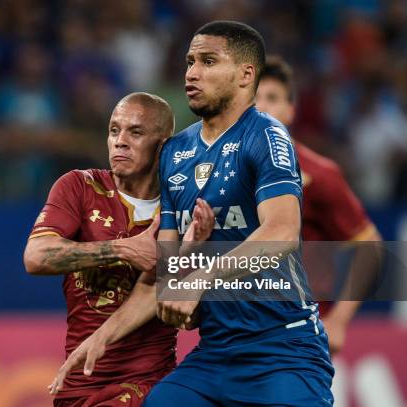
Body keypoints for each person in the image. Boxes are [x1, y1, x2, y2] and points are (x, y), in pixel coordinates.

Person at [49, 21, 334, 406]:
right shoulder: (175, 153)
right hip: (215, 355)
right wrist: (101, 336)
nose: (192, 73)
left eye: (208, 61)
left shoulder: (265, 136)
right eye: (189, 61)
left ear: (245, 75)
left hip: (283, 349)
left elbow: (282, 231)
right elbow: (160, 278)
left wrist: (200, 277)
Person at [24, 92, 214, 407]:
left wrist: (190, 256)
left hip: (147, 385)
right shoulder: (80, 187)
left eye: (135, 132)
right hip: (78, 381)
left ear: (163, 146)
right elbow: (35, 256)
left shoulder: (185, 209)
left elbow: (189, 318)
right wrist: (122, 249)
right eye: (114, 130)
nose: (119, 141)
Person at [255, 55, 383, 354]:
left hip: (299, 337)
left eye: (272, 98)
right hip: (237, 335)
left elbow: (371, 247)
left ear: (290, 110)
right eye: (254, 98)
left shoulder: (319, 174)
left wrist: (339, 319)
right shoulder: (223, 170)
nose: (261, 107)